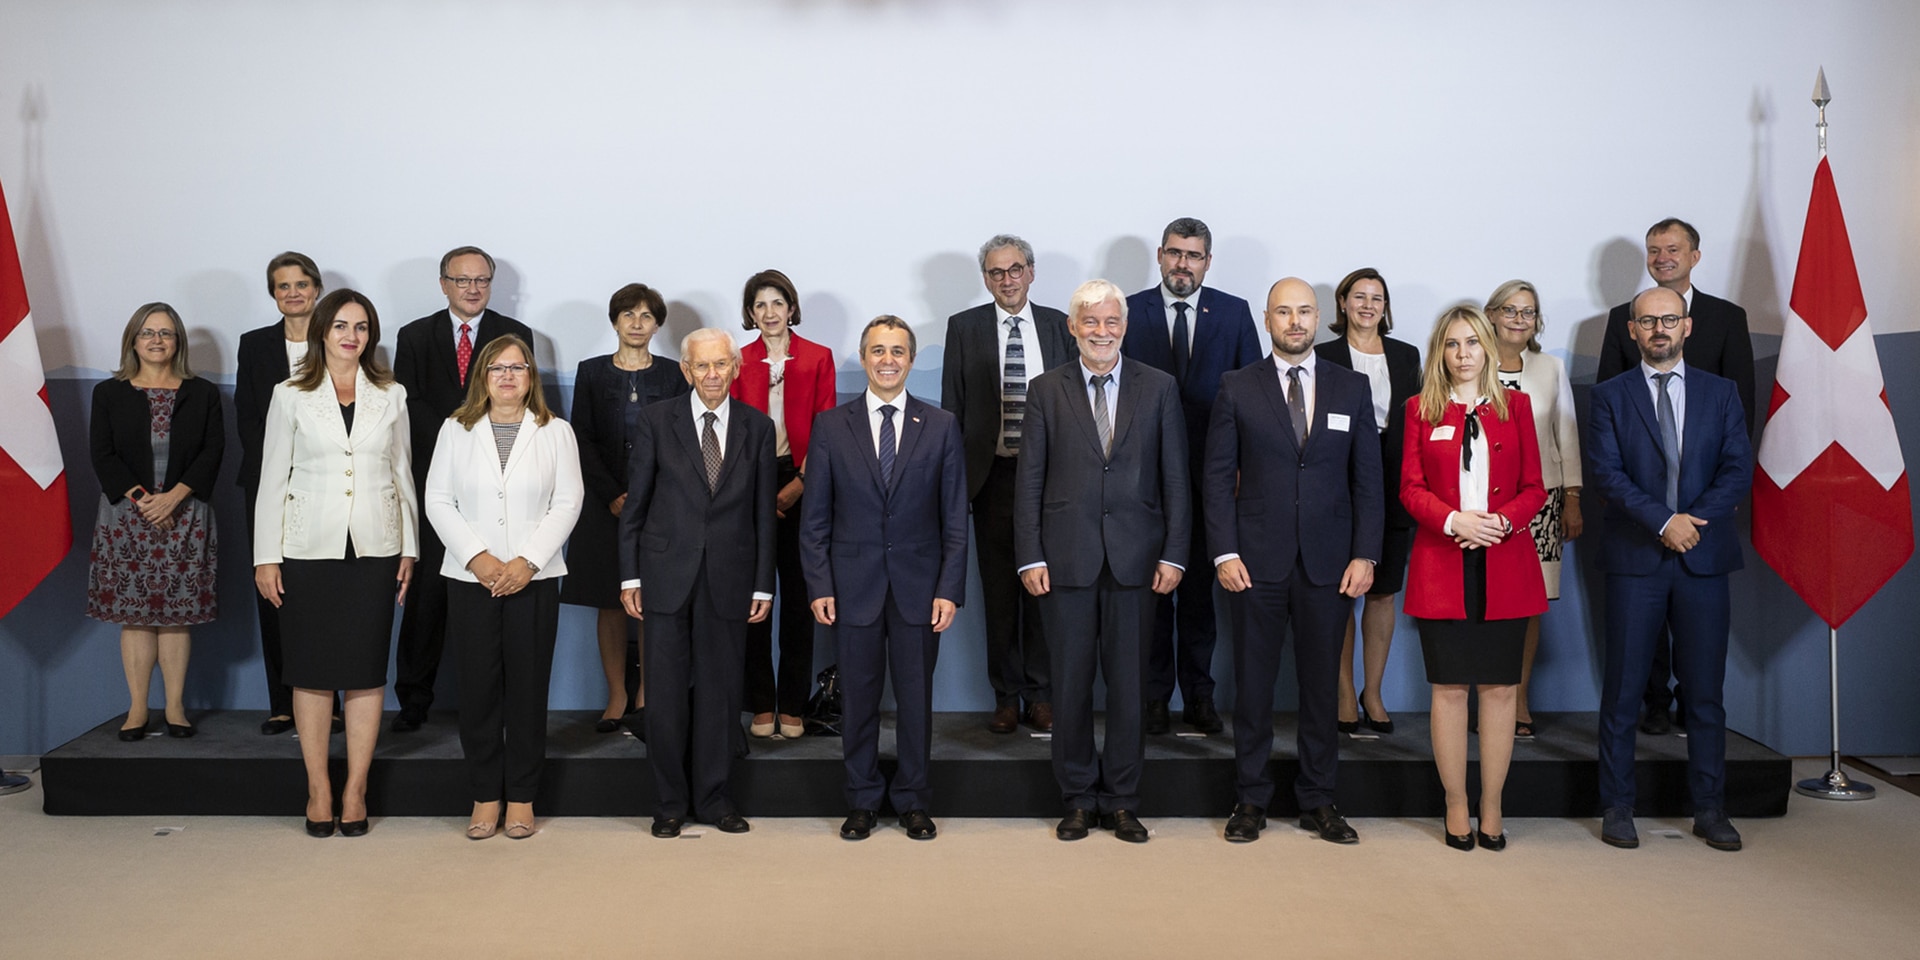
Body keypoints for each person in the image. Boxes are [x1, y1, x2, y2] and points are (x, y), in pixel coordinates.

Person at [1206, 278, 1383, 845]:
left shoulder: (1351, 388)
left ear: (1319, 317)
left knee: (1320, 690)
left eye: (1304, 311)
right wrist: (1223, 550)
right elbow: (1215, 478)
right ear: (1268, 319)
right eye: (1284, 311)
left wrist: (1365, 553)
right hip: (1253, 564)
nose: (1296, 321)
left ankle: (1318, 799)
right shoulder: (1237, 386)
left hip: (1330, 565)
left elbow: (1368, 482)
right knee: (1253, 689)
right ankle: (1250, 799)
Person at [1016, 279, 1189, 844]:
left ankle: (1120, 800)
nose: (1101, 331)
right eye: (1090, 322)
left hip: (1138, 561)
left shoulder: (1158, 387)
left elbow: (1175, 481)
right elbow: (1030, 483)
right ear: (1072, 328)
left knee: (1129, 686)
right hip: (1064, 560)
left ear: (1124, 326)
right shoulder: (1045, 390)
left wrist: (1175, 553)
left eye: (1111, 322)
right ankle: (1075, 799)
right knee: (1068, 685)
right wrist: (1028, 556)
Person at [1589, 286, 1752, 852]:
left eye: (1669, 319)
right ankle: (1618, 806)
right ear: (1631, 331)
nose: (1659, 328)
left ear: (1687, 327)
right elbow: (1607, 475)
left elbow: (1737, 469)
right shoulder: (1609, 396)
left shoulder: (1722, 393)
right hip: (1637, 559)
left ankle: (1709, 808)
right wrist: (1663, 522)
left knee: (1705, 693)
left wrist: (1691, 523)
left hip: (1703, 558)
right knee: (1624, 691)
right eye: (1647, 321)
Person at [254, 289, 418, 837]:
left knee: (367, 673)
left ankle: (356, 788)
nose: (352, 335)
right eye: (342, 325)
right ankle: (319, 786)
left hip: (375, 550)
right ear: (322, 330)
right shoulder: (290, 394)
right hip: (307, 552)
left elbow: (403, 475)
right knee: (313, 674)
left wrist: (410, 547)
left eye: (363, 327)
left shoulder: (390, 394)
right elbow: (272, 477)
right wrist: (265, 556)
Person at [801, 316, 968, 841]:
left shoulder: (940, 425)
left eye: (898, 351)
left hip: (921, 589)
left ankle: (914, 800)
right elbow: (816, 521)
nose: (888, 360)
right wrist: (820, 585)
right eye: (878, 350)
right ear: (864, 357)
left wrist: (949, 589)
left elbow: (955, 519)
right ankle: (863, 800)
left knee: (916, 701)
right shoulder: (831, 426)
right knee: (858, 698)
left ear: (911, 360)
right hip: (852, 588)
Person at [1595, 218, 1754, 736]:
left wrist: (1702, 511)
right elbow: (1611, 423)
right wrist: (1662, 519)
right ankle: (1655, 706)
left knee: (1706, 682)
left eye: (1673, 248)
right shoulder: (1626, 318)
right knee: (1630, 673)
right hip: (1639, 519)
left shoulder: (1726, 318)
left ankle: (1706, 795)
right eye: (1653, 249)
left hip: (1705, 518)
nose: (1662, 257)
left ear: (1695, 256)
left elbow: (1741, 419)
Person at [1401, 305, 1548, 851]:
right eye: (1452, 344)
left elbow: (1535, 486)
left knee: (1501, 689)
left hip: (1504, 560)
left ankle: (1493, 803)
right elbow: (1410, 488)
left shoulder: (1519, 407)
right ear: (1440, 352)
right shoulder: (1420, 409)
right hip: (1443, 560)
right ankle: (1455, 803)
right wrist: (1453, 520)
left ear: (1489, 347)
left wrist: (1502, 523)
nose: (1463, 354)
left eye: (1472, 343)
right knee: (1448, 689)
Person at [425, 335, 583, 840]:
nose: (508, 377)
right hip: (472, 578)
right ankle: (484, 795)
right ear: (482, 377)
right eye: (497, 368)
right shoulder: (456, 428)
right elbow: (437, 501)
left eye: (518, 368)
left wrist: (528, 562)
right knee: (477, 692)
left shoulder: (556, 431)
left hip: (533, 581)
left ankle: (521, 797)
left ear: (531, 377)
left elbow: (568, 503)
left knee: (527, 692)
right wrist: (479, 558)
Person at [620, 328, 776, 838]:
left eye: (721, 365)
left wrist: (762, 584)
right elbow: (635, 506)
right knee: (663, 697)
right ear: (685, 371)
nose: (712, 375)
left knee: (720, 695)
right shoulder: (656, 421)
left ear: (736, 368)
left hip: (730, 580)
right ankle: (668, 804)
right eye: (701, 366)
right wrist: (630, 574)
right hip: (664, 578)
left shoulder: (757, 426)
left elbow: (763, 518)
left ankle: (714, 799)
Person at [1121, 217, 1261, 735]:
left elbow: (1253, 396)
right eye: (1175, 253)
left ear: (1207, 261)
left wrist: (1246, 470)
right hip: (1142, 479)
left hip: (1212, 477)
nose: (1183, 264)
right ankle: (1155, 697)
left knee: (1201, 596)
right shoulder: (1128, 311)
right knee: (1152, 593)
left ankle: (1200, 696)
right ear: (1160, 256)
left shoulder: (1233, 312)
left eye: (1194, 255)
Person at [390, 246, 533, 733]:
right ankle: (413, 699)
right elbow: (408, 403)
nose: (473, 289)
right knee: (427, 597)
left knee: (500, 597)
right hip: (436, 477)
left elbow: (526, 402)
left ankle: (502, 704)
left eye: (482, 280)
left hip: (502, 481)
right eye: (462, 280)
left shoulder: (515, 337)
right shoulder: (414, 335)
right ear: (444, 283)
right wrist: (459, 432)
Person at [941, 234, 1075, 734]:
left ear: (1031, 272)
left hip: (1051, 478)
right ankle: (1006, 696)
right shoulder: (965, 327)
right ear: (986, 279)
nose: (1006, 280)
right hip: (991, 477)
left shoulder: (1059, 326)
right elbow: (952, 411)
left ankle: (1042, 695)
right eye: (996, 273)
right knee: (999, 593)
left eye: (1015, 269)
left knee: (1044, 589)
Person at [87, 303, 224, 740]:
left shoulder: (202, 393)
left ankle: (177, 709)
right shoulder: (109, 393)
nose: (157, 340)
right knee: (137, 616)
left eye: (166, 333)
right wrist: (146, 501)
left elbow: (212, 451)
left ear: (177, 341)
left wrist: (175, 498)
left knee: (177, 616)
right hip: (127, 517)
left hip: (186, 515)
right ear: (133, 340)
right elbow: (101, 453)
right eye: (147, 333)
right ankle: (137, 709)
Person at [563, 284, 689, 733]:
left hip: (660, 504)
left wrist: (645, 496)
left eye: (646, 316)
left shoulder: (676, 374)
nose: (637, 323)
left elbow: (680, 440)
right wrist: (613, 492)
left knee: (656, 599)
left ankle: (646, 695)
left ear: (658, 325)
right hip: (604, 503)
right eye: (628, 315)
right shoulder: (592, 372)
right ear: (615, 321)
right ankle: (616, 694)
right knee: (610, 601)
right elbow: (583, 438)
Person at [1315, 267, 1422, 736]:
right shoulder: (1323, 355)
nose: (1367, 305)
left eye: (1377, 298)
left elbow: (1418, 420)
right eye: (1358, 296)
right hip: (1337, 482)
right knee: (1341, 592)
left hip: (1395, 482)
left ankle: (1372, 691)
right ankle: (1342, 690)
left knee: (1382, 592)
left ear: (1385, 306)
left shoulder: (1406, 355)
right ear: (1342, 303)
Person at [730, 268, 836, 739]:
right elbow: (730, 430)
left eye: (778, 303)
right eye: (760, 305)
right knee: (752, 598)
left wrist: (797, 485)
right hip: (748, 483)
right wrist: (758, 495)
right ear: (750, 314)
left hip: (804, 479)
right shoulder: (737, 358)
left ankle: (791, 703)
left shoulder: (818, 357)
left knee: (798, 598)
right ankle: (759, 701)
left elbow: (828, 429)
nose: (770, 313)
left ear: (791, 308)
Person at [235, 252, 331, 736]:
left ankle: (328, 700)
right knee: (272, 592)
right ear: (273, 294)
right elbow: (248, 417)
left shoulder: (339, 338)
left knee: (325, 596)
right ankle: (281, 702)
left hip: (329, 487)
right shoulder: (253, 345)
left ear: (316, 288)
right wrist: (281, 471)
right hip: (267, 486)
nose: (292, 293)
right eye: (282, 286)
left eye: (300, 284)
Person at [1486, 280, 1582, 739]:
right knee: (1481, 603)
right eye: (1511, 309)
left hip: (1540, 503)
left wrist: (1573, 497)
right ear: (1492, 314)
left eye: (1529, 311)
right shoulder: (1468, 362)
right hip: (1481, 505)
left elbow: (1567, 435)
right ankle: (1485, 699)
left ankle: (1519, 699)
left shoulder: (1550, 368)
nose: (1520, 319)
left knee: (1526, 607)